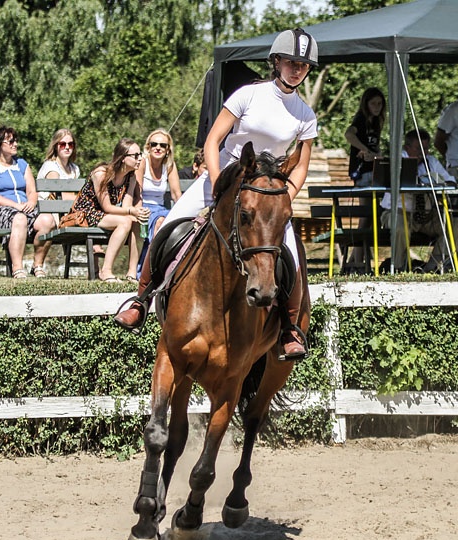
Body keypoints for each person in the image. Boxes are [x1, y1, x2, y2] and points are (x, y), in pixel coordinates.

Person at [115, 27, 318, 360]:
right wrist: (218, 179)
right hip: (224, 175)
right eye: (292, 62)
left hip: (266, 194)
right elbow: (213, 141)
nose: (297, 69)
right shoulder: (247, 95)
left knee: (292, 259)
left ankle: (289, 329)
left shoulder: (305, 115)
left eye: (304, 65)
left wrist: (282, 199)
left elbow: (300, 167)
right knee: (170, 224)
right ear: (277, 61)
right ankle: (141, 299)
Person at [380, 129, 458, 273]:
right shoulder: (397, 160)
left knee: (454, 225)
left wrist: (439, 183)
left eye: (426, 148)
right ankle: (398, 268)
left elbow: (450, 182)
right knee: (399, 226)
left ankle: (434, 266)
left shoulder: (431, 162)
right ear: (407, 147)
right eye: (418, 148)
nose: (423, 153)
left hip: (426, 215)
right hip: (399, 212)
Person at [0, 126, 54, 278]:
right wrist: (15, 206)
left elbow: (32, 191)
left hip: (26, 209)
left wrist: (31, 202)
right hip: (1, 211)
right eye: (11, 141)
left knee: (48, 220)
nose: (15, 144)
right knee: (19, 218)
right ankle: (17, 267)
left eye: (16, 141)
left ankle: (37, 265)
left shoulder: (22, 164)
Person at [71, 138, 148, 282]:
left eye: (140, 154)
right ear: (123, 158)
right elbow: (106, 206)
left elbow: (126, 207)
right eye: (136, 155)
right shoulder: (101, 173)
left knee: (137, 222)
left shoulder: (130, 177)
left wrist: (138, 213)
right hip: (86, 213)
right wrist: (131, 212)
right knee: (125, 222)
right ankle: (106, 271)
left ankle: (131, 273)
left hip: (107, 214)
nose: (140, 159)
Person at [343, 87, 386, 270]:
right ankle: (357, 263)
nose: (376, 107)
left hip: (375, 172)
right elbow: (348, 134)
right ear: (366, 104)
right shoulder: (360, 120)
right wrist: (365, 151)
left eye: (379, 104)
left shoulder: (377, 122)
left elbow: (374, 147)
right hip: (363, 173)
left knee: (372, 217)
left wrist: (378, 154)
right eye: (373, 103)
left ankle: (354, 261)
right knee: (366, 216)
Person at [136, 128, 182, 240]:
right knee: (160, 222)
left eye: (162, 145)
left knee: (175, 224)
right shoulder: (142, 162)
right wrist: (140, 212)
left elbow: (176, 194)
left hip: (160, 209)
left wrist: (183, 212)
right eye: (154, 144)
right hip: (143, 207)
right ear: (148, 147)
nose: (158, 148)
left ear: (167, 150)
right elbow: (138, 192)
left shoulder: (169, 165)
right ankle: (152, 256)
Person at [38, 128, 81, 230]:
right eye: (62, 144)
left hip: (68, 210)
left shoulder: (74, 169)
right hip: (50, 212)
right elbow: (59, 195)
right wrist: (82, 199)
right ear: (56, 146)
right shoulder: (51, 166)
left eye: (70, 144)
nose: (67, 148)